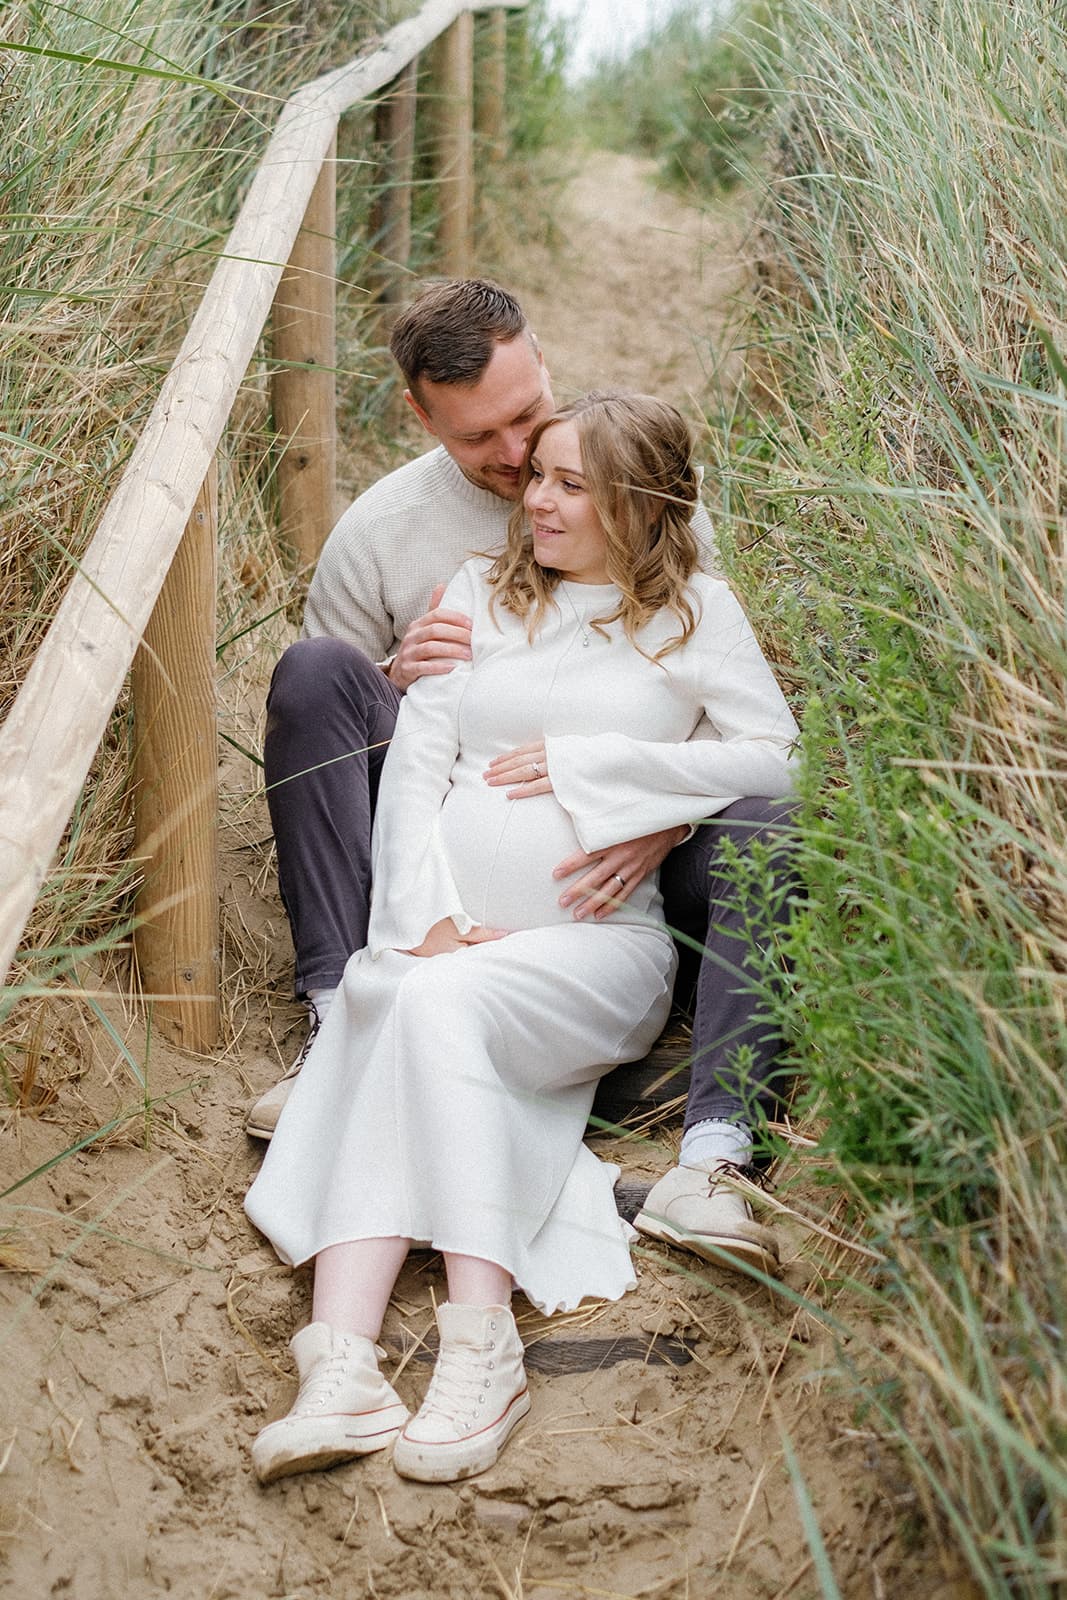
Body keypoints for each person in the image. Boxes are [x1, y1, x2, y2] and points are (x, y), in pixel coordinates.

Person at [244, 392, 799, 1486]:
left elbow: (774, 760)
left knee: (427, 1005)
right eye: (536, 474)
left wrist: (608, 774)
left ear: (635, 505)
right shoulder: (478, 598)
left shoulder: (693, 614)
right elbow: (413, 773)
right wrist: (421, 924)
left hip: (598, 955)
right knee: (395, 993)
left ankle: (481, 1343)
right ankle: (342, 1366)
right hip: (459, 938)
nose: (532, 498)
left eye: (566, 482)